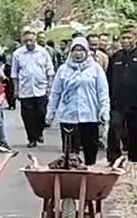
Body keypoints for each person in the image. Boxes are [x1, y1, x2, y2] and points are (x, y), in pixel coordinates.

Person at [46, 37, 109, 166]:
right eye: (75, 50)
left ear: (87, 52)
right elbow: (55, 93)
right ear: (71, 52)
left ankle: (90, 176)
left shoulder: (95, 69)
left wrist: (104, 110)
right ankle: (72, 180)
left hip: (89, 117)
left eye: (81, 50)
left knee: (90, 151)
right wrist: (50, 113)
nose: (78, 53)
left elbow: (102, 92)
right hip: (69, 117)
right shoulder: (64, 70)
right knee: (70, 154)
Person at [107, 27, 137, 168]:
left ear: (135, 38)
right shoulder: (116, 57)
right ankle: (113, 159)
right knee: (115, 128)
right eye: (123, 38)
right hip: (118, 102)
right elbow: (109, 80)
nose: (126, 41)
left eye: (129, 38)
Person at [10, 29, 54, 148]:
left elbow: (50, 71)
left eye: (31, 40)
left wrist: (49, 86)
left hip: (41, 88)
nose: (29, 43)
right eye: (26, 41)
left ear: (35, 40)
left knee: (41, 113)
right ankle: (31, 138)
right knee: (27, 116)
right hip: (25, 90)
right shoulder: (18, 54)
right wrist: (16, 89)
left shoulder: (43, 52)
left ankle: (39, 132)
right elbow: (14, 74)